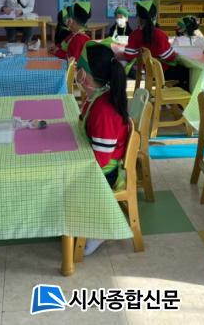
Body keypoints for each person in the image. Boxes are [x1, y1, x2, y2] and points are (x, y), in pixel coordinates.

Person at [76, 41, 129, 256]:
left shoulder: (103, 110)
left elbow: (102, 159)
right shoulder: (97, 97)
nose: (76, 72)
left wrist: (76, 165)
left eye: (79, 68)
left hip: (105, 172)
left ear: (85, 76)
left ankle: (100, 229)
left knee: (61, 177)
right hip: (98, 160)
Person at [123, 0, 189, 89]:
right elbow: (168, 56)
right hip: (162, 72)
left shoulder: (134, 34)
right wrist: (175, 54)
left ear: (138, 18)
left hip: (148, 71)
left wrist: (141, 57)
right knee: (186, 70)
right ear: (154, 17)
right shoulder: (159, 34)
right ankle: (178, 93)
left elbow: (128, 55)